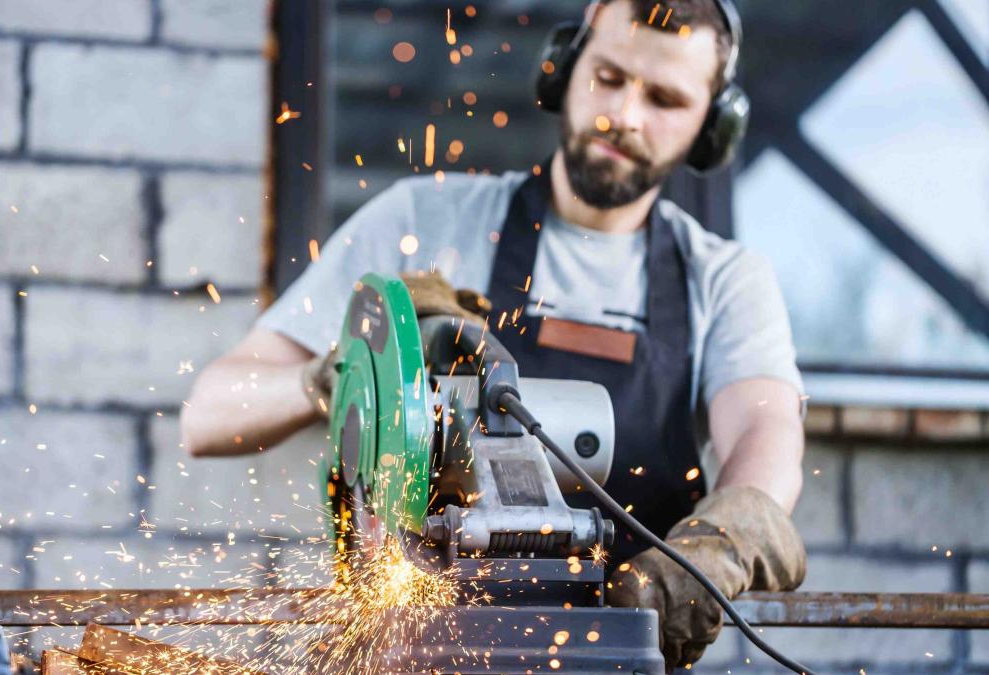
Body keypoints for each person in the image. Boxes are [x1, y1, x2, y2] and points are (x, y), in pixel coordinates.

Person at [182, 0, 806, 669]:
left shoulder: (723, 280)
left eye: (665, 99)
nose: (625, 115)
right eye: (610, 76)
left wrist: (719, 543)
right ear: (564, 68)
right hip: (409, 651)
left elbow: (764, 436)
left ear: (712, 126)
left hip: (619, 657)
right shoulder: (422, 221)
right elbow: (208, 414)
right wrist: (342, 375)